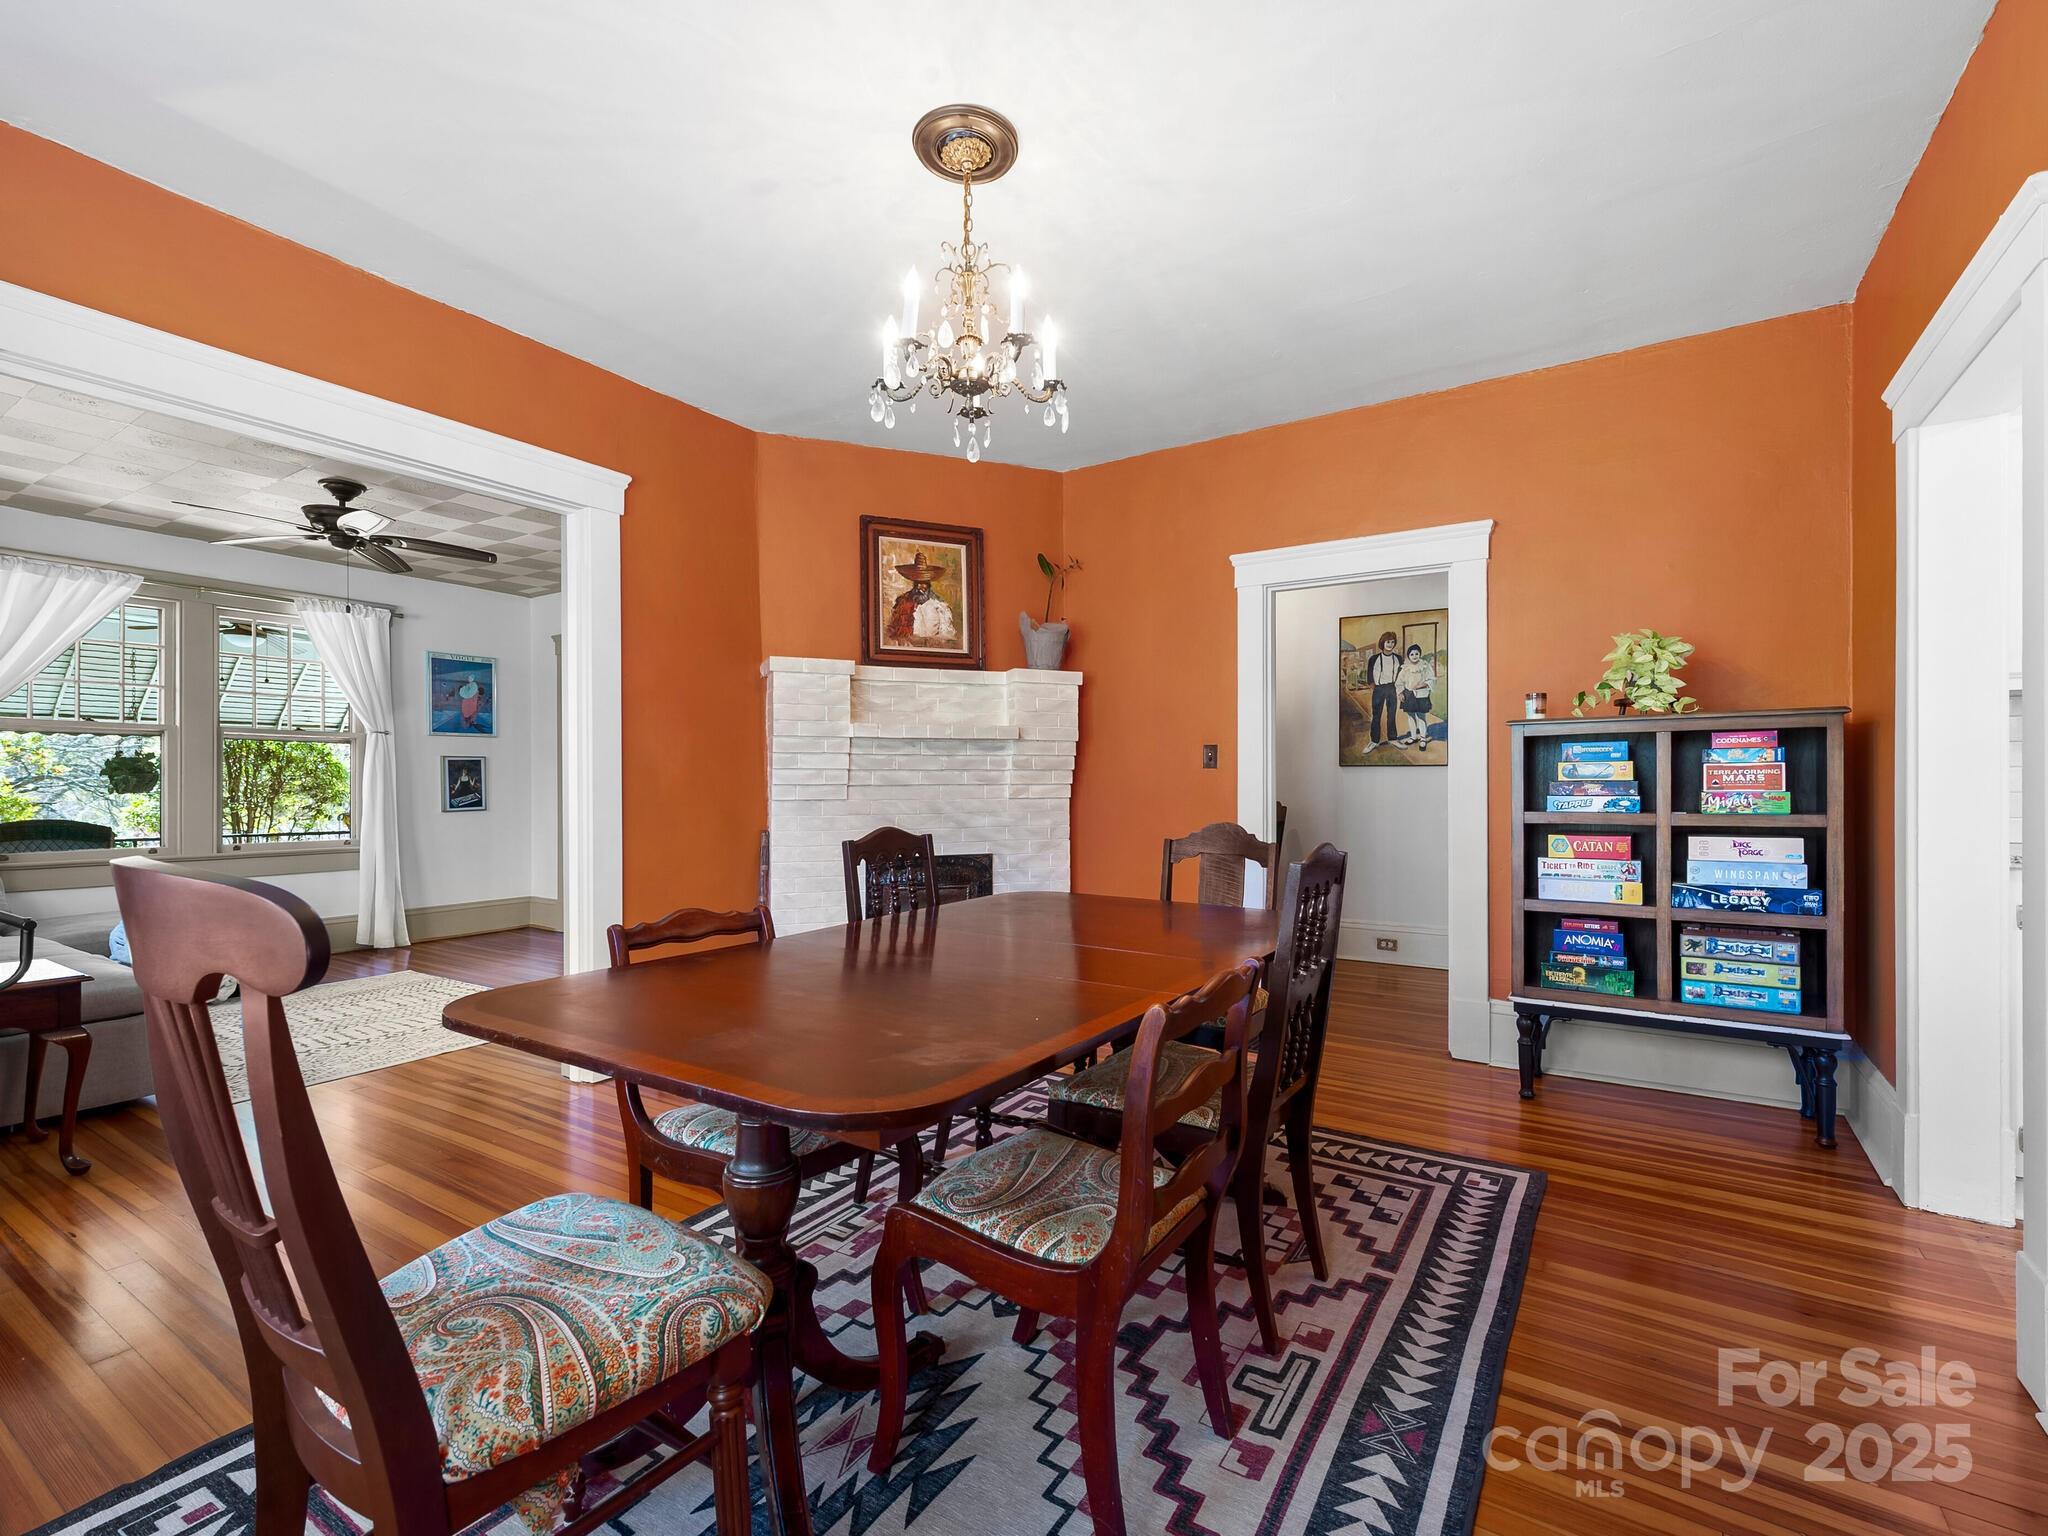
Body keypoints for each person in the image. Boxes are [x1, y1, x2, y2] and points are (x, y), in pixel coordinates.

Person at [884, 551, 957, 646]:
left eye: (922, 583)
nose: (919, 586)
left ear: (928, 584)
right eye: (916, 582)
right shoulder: (901, 603)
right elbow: (892, 632)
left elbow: (947, 634)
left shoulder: (940, 606)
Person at [1398, 641, 1437, 747]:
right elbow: (1399, 682)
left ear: (1419, 654)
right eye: (1412, 654)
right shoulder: (1405, 668)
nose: (1414, 656)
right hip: (1408, 695)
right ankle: (1413, 736)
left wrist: (1421, 685)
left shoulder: (1425, 666)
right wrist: (1400, 693)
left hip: (1421, 695)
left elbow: (1432, 679)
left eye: (1416, 654)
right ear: (1408, 656)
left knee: (1421, 716)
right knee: (1410, 716)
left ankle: (1423, 738)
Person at [1366, 630, 1401, 745]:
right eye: (1388, 642)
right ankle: (1374, 741)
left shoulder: (1398, 659)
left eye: (1392, 642)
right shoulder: (1373, 658)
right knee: (1376, 715)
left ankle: (1393, 738)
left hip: (1392, 688)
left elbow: (1402, 675)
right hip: (1379, 688)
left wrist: (1399, 688)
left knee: (1391, 714)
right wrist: (1374, 687)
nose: (1390, 644)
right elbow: (1369, 676)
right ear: (1382, 643)